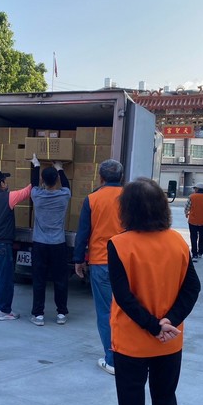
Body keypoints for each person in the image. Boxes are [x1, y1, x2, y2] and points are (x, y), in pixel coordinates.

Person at [108, 177, 200, 405]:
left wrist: (151, 325)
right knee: (165, 399)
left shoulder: (119, 244)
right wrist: (169, 322)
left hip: (132, 343)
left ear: (127, 209)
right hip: (169, 342)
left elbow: (124, 296)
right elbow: (192, 288)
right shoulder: (177, 242)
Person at [73, 159, 124, 375]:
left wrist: (78, 259)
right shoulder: (131, 198)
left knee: (105, 312)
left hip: (101, 262)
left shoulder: (92, 199)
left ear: (101, 178)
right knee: (127, 311)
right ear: (121, 177)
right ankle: (129, 355)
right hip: (128, 262)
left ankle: (111, 360)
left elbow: (83, 232)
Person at [0, 169, 31, 321]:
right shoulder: (9, 197)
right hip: (1, 244)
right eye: (5, 180)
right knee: (5, 278)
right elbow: (28, 191)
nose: (6, 183)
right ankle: (3, 310)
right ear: (2, 183)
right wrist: (36, 169)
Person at [30, 154, 71, 326]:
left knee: (39, 279)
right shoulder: (64, 195)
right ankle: (61, 313)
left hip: (40, 244)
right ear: (57, 180)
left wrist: (36, 164)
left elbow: (34, 184)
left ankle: (38, 315)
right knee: (60, 279)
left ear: (43, 180)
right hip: (58, 244)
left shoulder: (37, 195)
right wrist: (60, 168)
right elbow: (67, 185)